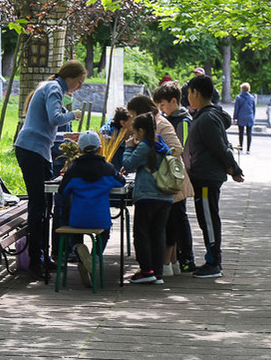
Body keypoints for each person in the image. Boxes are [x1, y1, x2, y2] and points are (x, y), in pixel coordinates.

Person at [14, 61, 85, 278]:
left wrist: (66, 136)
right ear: (70, 77)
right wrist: (74, 114)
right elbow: (55, 119)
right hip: (32, 150)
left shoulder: (50, 87)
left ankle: (43, 256)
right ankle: (36, 260)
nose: (79, 87)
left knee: (46, 205)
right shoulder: (54, 88)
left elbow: (45, 125)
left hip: (37, 150)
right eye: (79, 82)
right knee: (38, 206)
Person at [184, 74, 244, 279]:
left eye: (189, 93)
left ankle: (213, 262)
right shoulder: (205, 116)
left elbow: (219, 147)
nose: (187, 97)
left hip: (207, 177)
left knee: (208, 219)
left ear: (196, 93)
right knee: (205, 218)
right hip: (202, 176)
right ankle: (211, 259)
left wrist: (234, 168)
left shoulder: (207, 118)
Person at [57, 131, 126, 287]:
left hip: (78, 219)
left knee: (74, 234)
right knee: (105, 234)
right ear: (100, 149)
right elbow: (121, 182)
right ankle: (94, 258)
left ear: (79, 150)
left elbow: (63, 191)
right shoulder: (108, 169)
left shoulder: (73, 170)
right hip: (100, 219)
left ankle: (78, 248)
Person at [122, 113, 174, 284]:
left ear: (142, 130)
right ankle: (157, 272)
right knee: (158, 234)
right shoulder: (161, 143)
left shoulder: (144, 146)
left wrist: (129, 147)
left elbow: (128, 163)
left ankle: (146, 271)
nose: (133, 135)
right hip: (165, 196)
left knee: (142, 234)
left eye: (135, 132)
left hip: (147, 195)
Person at [153, 81, 197, 274]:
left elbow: (182, 148)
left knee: (179, 217)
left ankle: (187, 257)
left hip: (178, 176)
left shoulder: (183, 121)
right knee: (172, 218)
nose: (161, 109)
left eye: (162, 105)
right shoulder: (168, 119)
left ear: (173, 101)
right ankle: (175, 258)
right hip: (171, 175)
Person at [233, 82, 256, 154]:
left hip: (241, 117)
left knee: (241, 133)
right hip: (249, 117)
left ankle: (241, 148)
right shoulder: (252, 98)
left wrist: (234, 118)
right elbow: (254, 109)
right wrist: (253, 117)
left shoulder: (238, 98)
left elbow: (236, 109)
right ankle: (248, 149)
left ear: (241, 89)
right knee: (249, 133)